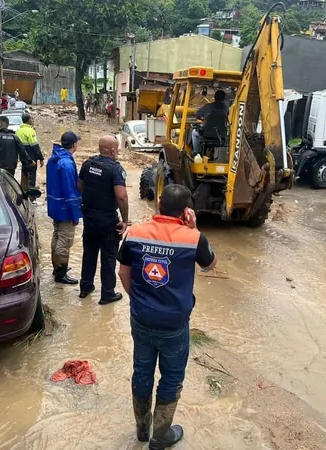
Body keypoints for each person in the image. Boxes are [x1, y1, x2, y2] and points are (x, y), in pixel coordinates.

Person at [117, 184, 217, 449]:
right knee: (171, 377)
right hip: (174, 323)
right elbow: (210, 265)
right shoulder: (193, 239)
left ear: (158, 203)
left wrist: (138, 301)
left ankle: (141, 429)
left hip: (141, 318)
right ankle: (160, 437)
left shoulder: (134, 233)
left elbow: (123, 274)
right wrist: (194, 228)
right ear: (186, 211)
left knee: (142, 370)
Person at [78, 135, 129, 304]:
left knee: (89, 252)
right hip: (107, 219)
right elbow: (121, 197)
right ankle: (107, 294)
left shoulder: (87, 164)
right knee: (108, 257)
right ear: (113, 150)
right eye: (118, 149)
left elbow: (80, 187)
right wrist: (125, 220)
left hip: (89, 217)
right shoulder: (115, 169)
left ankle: (85, 287)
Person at [47, 131, 83, 285]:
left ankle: (57, 268)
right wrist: (75, 214)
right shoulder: (67, 163)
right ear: (74, 144)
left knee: (57, 235)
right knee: (65, 240)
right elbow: (71, 190)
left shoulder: (53, 159)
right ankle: (61, 273)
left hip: (54, 205)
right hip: (65, 208)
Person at [191, 90, 229, 155]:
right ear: (224, 98)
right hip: (221, 137)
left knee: (194, 132)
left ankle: (196, 152)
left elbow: (197, 114)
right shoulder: (226, 109)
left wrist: (203, 119)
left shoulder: (208, 107)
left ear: (215, 97)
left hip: (207, 136)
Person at [16, 113, 45, 189]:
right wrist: (41, 158)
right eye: (31, 119)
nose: (32, 120)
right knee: (31, 177)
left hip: (22, 158)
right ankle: (31, 195)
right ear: (28, 120)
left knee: (24, 175)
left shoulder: (18, 131)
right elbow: (35, 146)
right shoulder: (30, 131)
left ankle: (23, 191)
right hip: (31, 158)